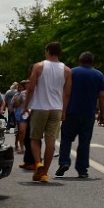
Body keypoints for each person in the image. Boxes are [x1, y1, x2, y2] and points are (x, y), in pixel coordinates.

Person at [24, 42, 71, 182]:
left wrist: (26, 105)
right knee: (51, 140)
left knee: (35, 138)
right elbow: (67, 93)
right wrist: (64, 110)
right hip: (56, 108)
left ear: (48, 51)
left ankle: (38, 162)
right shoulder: (67, 70)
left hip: (40, 107)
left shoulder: (39, 66)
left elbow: (31, 88)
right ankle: (45, 173)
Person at [56, 52, 104, 179]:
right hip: (88, 113)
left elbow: (63, 92)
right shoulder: (98, 75)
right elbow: (102, 95)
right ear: (92, 62)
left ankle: (64, 162)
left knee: (66, 139)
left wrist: (62, 110)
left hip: (71, 111)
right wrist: (102, 112)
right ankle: (82, 170)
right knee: (84, 142)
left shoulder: (71, 72)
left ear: (79, 60)